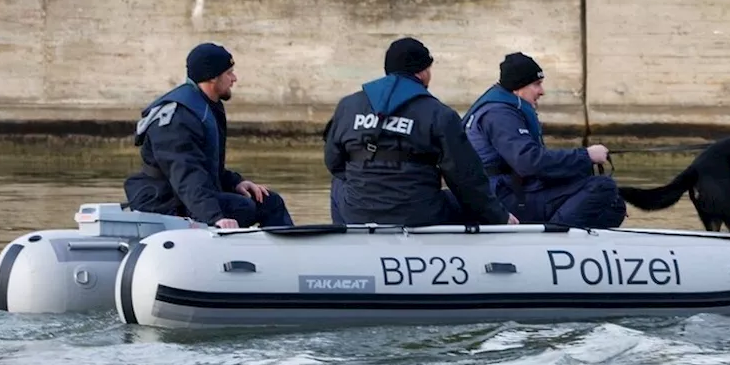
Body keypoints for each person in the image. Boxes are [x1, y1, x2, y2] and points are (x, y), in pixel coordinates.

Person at [324, 37, 517, 227]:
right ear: (422, 72)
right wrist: (500, 217)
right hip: (419, 215)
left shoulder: (347, 106)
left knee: (339, 185)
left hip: (357, 213)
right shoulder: (439, 114)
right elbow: (466, 178)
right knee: (466, 201)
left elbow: (334, 162)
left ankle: (345, 240)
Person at [124, 43, 294, 230]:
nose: (234, 78)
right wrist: (215, 217)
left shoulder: (207, 106)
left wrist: (237, 183)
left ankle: (288, 252)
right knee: (243, 207)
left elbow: (207, 166)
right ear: (212, 78)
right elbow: (185, 175)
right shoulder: (177, 118)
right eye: (229, 73)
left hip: (188, 195)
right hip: (163, 201)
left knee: (270, 201)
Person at [462, 52, 626, 229]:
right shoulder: (499, 115)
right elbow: (529, 162)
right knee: (603, 187)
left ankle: (579, 243)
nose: (542, 91)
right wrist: (586, 156)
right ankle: (552, 239)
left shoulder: (502, 109)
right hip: (502, 198)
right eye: (537, 84)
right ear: (518, 87)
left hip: (512, 191)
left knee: (614, 204)